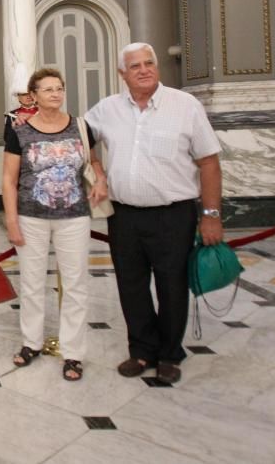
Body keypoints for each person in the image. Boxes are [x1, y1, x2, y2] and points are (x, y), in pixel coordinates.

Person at [85, 42, 223, 385]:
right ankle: (142, 350)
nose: (144, 69)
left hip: (173, 215)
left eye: (149, 63)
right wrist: (98, 171)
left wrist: (211, 214)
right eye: (135, 66)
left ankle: (169, 354)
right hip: (124, 216)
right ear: (122, 74)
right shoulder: (107, 109)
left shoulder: (185, 106)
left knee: (172, 286)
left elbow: (209, 162)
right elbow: (78, 138)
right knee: (130, 286)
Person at [2, 68, 108, 382]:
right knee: (32, 284)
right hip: (31, 216)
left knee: (75, 285)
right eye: (47, 89)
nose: (55, 94)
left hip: (74, 216)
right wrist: (11, 220)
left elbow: (94, 161)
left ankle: (73, 352)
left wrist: (101, 180)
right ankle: (31, 343)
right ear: (33, 96)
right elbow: (9, 180)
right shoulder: (18, 130)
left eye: (59, 88)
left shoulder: (80, 126)